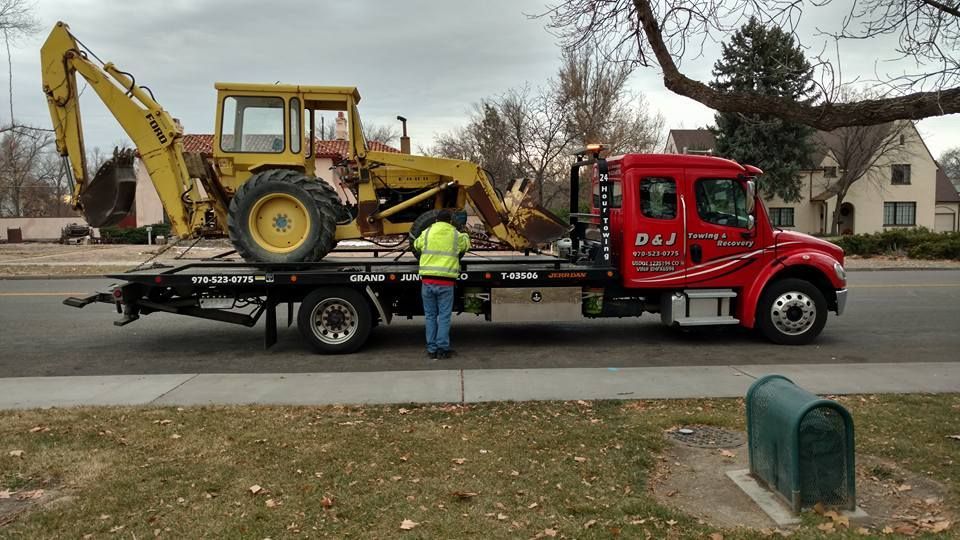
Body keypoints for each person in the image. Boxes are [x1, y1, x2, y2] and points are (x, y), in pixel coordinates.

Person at [413, 209, 471, 359]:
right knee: (444, 317)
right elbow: (466, 245)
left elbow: (416, 244)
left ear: (436, 220)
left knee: (430, 316)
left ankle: (431, 349)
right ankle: (442, 349)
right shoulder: (455, 235)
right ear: (451, 221)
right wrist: (464, 232)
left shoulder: (426, 232)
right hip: (446, 282)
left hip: (427, 281)